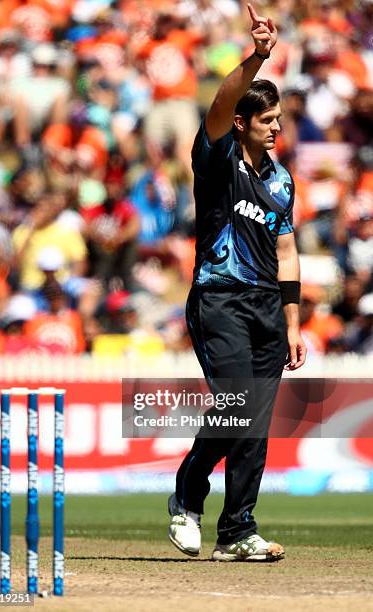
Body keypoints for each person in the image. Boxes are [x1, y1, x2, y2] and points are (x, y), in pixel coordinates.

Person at [168, 3, 307, 563]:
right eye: (268, 119)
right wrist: (257, 57)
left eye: (279, 119)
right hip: (218, 298)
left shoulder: (281, 180)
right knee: (238, 405)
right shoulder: (218, 158)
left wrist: (294, 323)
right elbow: (223, 101)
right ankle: (187, 492)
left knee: (253, 425)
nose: (277, 127)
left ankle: (237, 532)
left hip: (268, 310)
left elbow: (288, 248)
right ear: (245, 123)